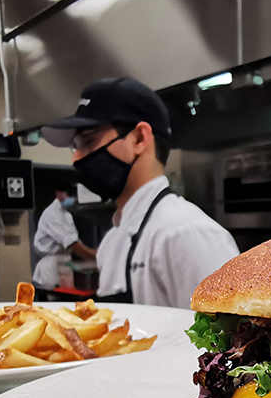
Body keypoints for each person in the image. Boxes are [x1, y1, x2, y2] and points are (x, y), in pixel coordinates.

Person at [40, 77, 239, 308]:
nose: (76, 157)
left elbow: (226, 339)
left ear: (140, 138)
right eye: (75, 147)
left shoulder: (185, 233)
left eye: (88, 141)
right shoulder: (112, 241)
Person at [32, 183, 95, 290]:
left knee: (68, 299)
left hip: (64, 263)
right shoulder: (53, 213)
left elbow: (75, 242)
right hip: (51, 266)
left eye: (74, 195)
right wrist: (95, 255)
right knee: (56, 301)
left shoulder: (67, 214)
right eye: (68, 194)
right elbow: (72, 244)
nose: (71, 198)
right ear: (58, 193)